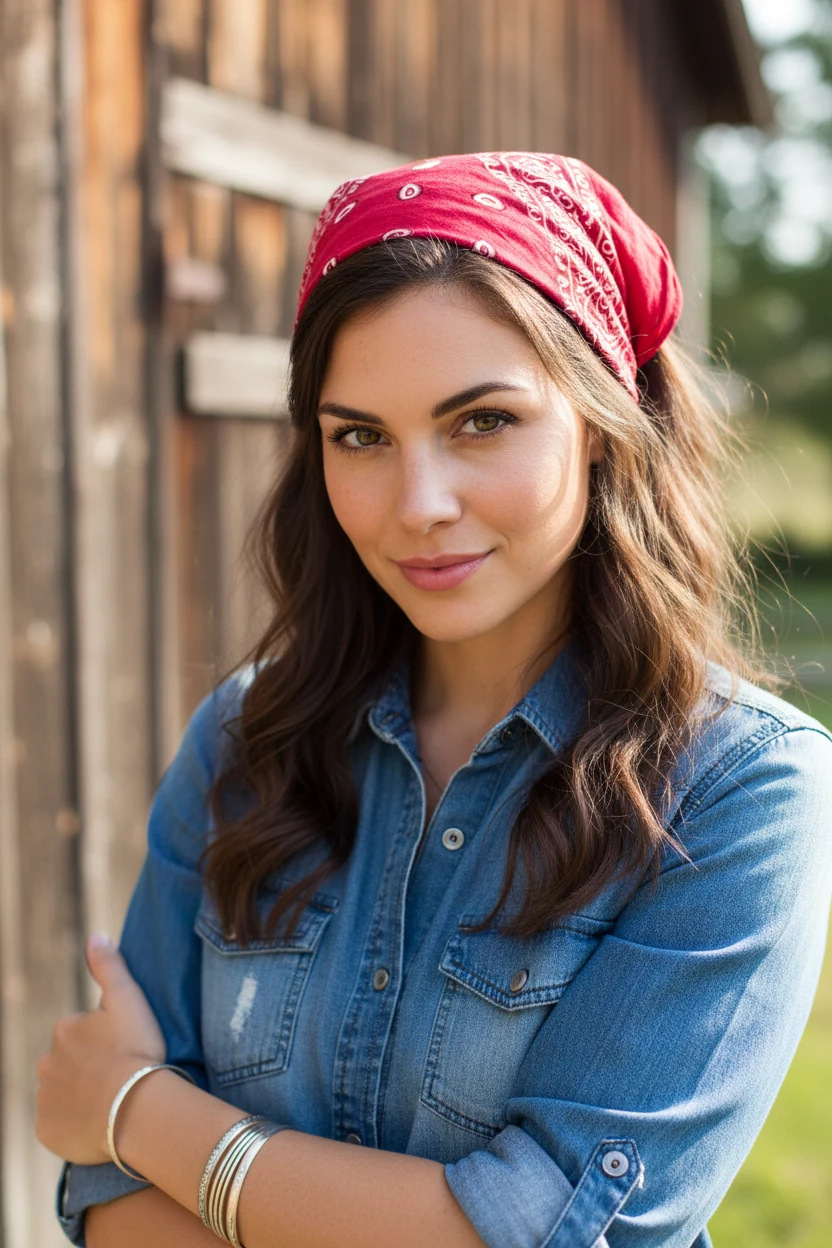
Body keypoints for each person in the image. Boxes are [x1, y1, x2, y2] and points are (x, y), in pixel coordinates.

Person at [36, 153, 832, 1248]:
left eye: (482, 422)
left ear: (603, 423)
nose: (417, 505)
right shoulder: (242, 737)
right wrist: (129, 1149)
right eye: (359, 436)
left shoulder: (741, 793)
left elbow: (553, 1232)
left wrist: (138, 1112)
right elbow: (110, 1201)